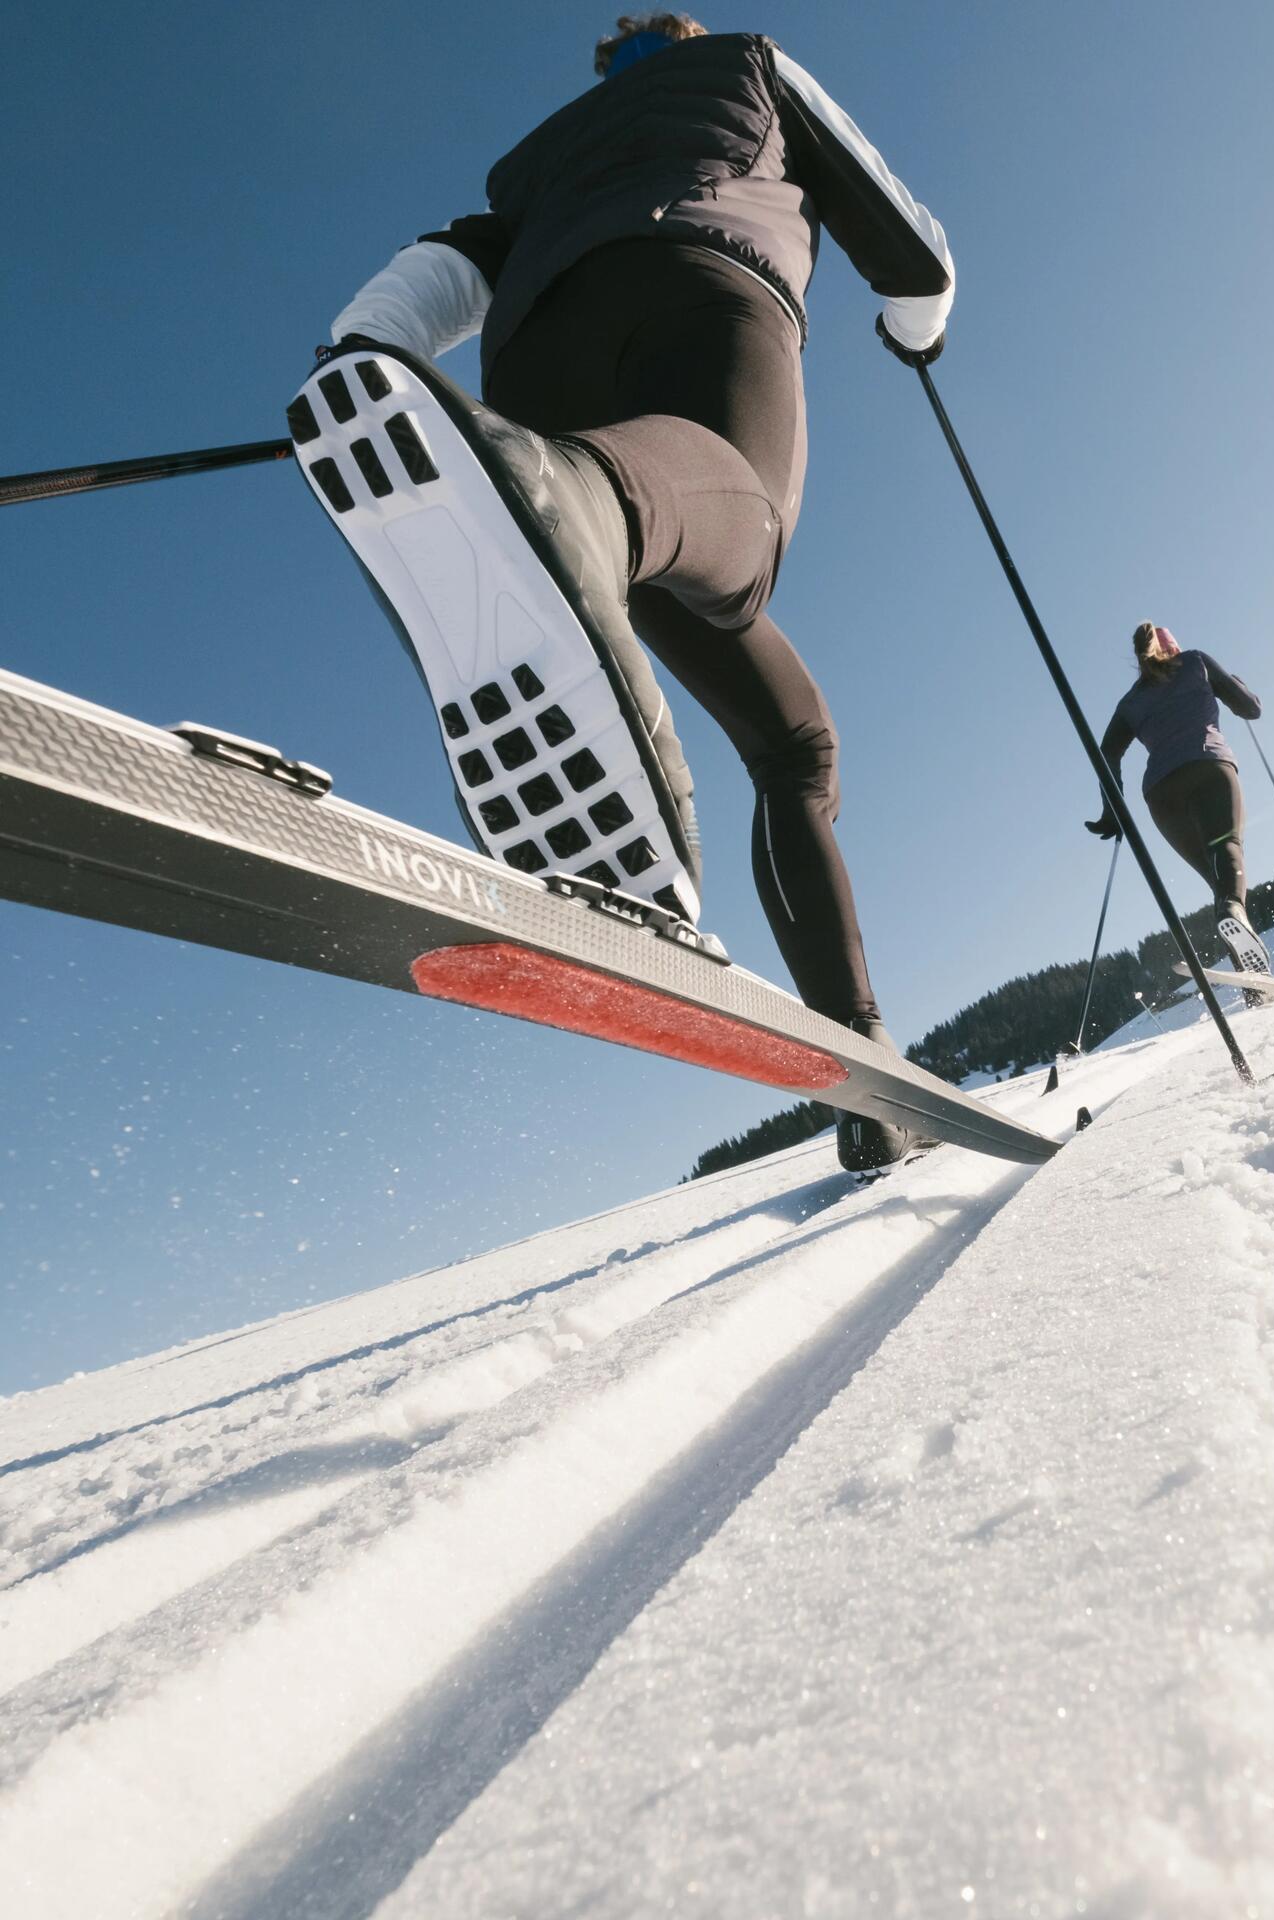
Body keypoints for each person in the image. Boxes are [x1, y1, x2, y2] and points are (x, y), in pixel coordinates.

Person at [316, 14, 952, 1171]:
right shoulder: (748, 63)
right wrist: (919, 329)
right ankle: (573, 507)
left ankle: (863, 1067)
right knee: (740, 539)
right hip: (703, 290)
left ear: (611, 68)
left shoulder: (538, 160)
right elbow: (910, 250)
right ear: (685, 38)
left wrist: (363, 359)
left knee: (794, 738)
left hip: (533, 372)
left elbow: (433, 277)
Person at [1086, 622, 1273, 978]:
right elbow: (1250, 708)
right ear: (1173, 648)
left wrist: (1113, 811)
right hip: (1208, 767)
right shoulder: (1195, 662)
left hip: (1162, 795)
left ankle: (1253, 983)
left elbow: (1106, 753)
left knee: (1218, 883)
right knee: (1226, 847)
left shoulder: (1130, 702)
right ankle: (1234, 912)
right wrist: (1239, 686)